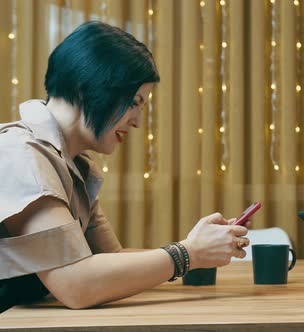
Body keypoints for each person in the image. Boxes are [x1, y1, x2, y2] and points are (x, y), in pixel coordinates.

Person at [0, 21, 250, 311]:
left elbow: (111, 259)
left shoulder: (74, 165)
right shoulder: (20, 154)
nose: (137, 121)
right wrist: (188, 253)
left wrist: (200, 247)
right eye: (134, 103)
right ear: (87, 89)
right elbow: (76, 284)